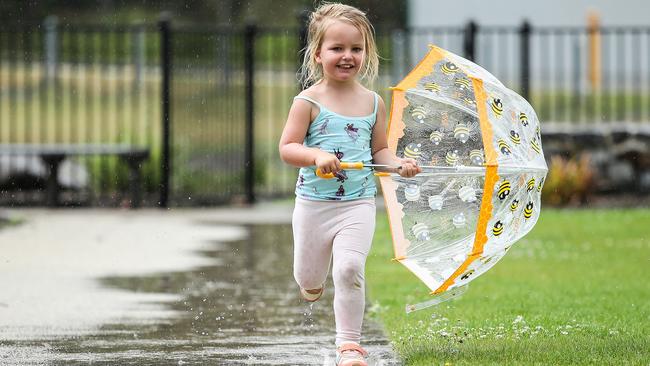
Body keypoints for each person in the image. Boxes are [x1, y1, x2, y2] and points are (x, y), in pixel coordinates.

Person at [278, 3, 421, 365]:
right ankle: (311, 284)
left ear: (366, 53)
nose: (347, 56)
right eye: (337, 48)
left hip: (357, 205)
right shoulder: (307, 101)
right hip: (313, 205)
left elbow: (381, 152)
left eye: (356, 49)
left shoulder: (373, 102)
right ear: (318, 53)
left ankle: (350, 346)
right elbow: (288, 148)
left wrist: (399, 164)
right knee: (309, 277)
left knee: (348, 269)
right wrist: (315, 156)